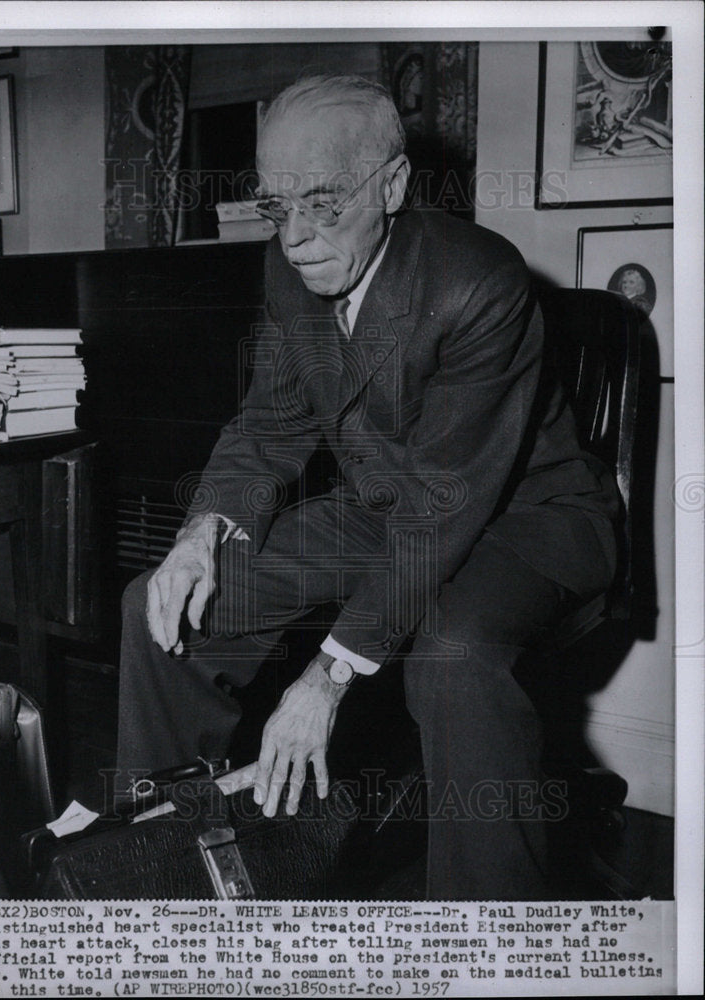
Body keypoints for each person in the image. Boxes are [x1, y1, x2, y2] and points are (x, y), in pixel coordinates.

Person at [117, 74, 618, 900]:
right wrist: (200, 532)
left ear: (393, 185)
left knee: (452, 658)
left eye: (322, 203)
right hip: (397, 509)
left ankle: (491, 935)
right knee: (161, 603)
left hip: (528, 518)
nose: (297, 239)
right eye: (277, 208)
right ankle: (161, 858)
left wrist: (325, 680)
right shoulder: (293, 272)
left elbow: (446, 507)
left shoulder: (477, 279)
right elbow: (271, 426)